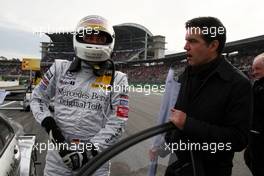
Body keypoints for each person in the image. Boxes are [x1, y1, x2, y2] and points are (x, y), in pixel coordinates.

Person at [30, 15, 129, 176]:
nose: (94, 42)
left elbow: (119, 122)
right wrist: (52, 130)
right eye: (89, 37)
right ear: (79, 38)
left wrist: (87, 153)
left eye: (99, 39)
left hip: (96, 163)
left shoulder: (118, 78)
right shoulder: (59, 68)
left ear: (108, 42)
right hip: (58, 160)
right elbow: (37, 98)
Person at [164, 17, 252, 176]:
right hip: (177, 166)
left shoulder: (238, 83)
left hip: (210, 171)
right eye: (186, 40)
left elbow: (239, 139)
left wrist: (188, 124)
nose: (185, 46)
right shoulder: (185, 75)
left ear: (213, 45)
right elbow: (175, 116)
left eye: (192, 41)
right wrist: (167, 140)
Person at [244, 53, 264, 176]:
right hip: (255, 137)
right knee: (249, 158)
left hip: (260, 139)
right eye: (253, 69)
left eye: (257, 69)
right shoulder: (258, 85)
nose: (254, 72)